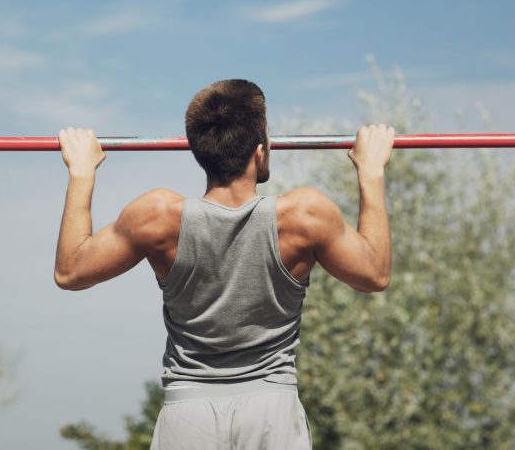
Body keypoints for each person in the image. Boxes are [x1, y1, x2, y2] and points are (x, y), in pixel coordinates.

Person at [54, 79, 395, 449]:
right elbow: (374, 274)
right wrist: (371, 172)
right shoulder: (305, 215)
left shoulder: (156, 217)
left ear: (200, 152)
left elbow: (70, 271)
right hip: (271, 410)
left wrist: (81, 172)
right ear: (260, 152)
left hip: (189, 411)